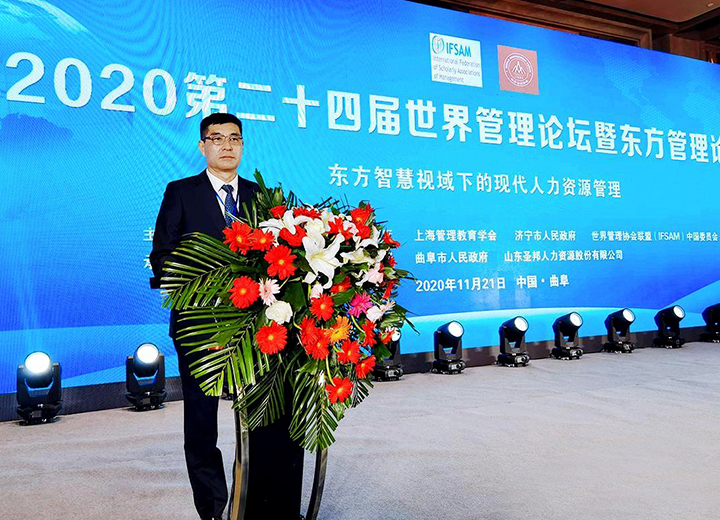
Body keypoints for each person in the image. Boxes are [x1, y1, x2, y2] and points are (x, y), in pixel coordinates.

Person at [150, 112, 304, 520]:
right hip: (201, 326)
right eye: (217, 138)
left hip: (257, 326)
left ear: (243, 145)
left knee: (265, 412)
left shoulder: (261, 196)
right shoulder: (181, 192)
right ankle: (214, 508)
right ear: (203, 146)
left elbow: (282, 253)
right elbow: (162, 256)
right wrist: (211, 285)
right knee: (202, 423)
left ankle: (258, 501)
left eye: (234, 138)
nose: (226, 146)